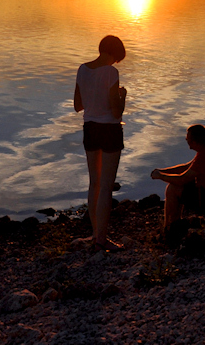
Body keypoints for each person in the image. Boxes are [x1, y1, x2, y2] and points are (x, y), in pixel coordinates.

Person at [74, 35, 127, 251]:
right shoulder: (111, 72)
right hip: (109, 130)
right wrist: (123, 96)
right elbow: (116, 111)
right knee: (106, 186)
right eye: (117, 58)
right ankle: (102, 240)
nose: (115, 63)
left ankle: (95, 234)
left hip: (90, 129)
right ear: (113, 53)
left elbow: (78, 105)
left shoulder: (82, 69)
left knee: (94, 183)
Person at [150, 124, 205, 233]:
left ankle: (168, 228)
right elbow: (186, 167)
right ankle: (175, 223)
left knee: (173, 188)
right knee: (178, 186)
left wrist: (160, 176)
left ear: (195, 142)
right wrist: (163, 171)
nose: (189, 146)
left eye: (189, 141)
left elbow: (182, 179)